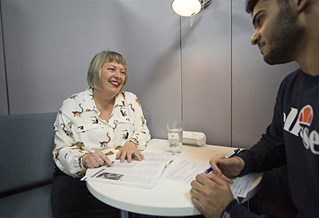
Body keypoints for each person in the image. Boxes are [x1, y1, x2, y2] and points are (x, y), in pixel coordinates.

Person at [190, 0, 319, 217]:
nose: (254, 37)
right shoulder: (291, 86)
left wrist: (228, 211)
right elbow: (276, 142)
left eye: (260, 20)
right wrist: (242, 162)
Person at [51, 50, 151, 218]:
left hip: (121, 174)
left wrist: (132, 142)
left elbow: (143, 130)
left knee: (145, 207)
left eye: (122, 71)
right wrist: (84, 159)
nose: (118, 75)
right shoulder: (72, 104)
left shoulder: (131, 100)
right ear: (96, 72)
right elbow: (60, 150)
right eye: (112, 69)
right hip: (79, 179)